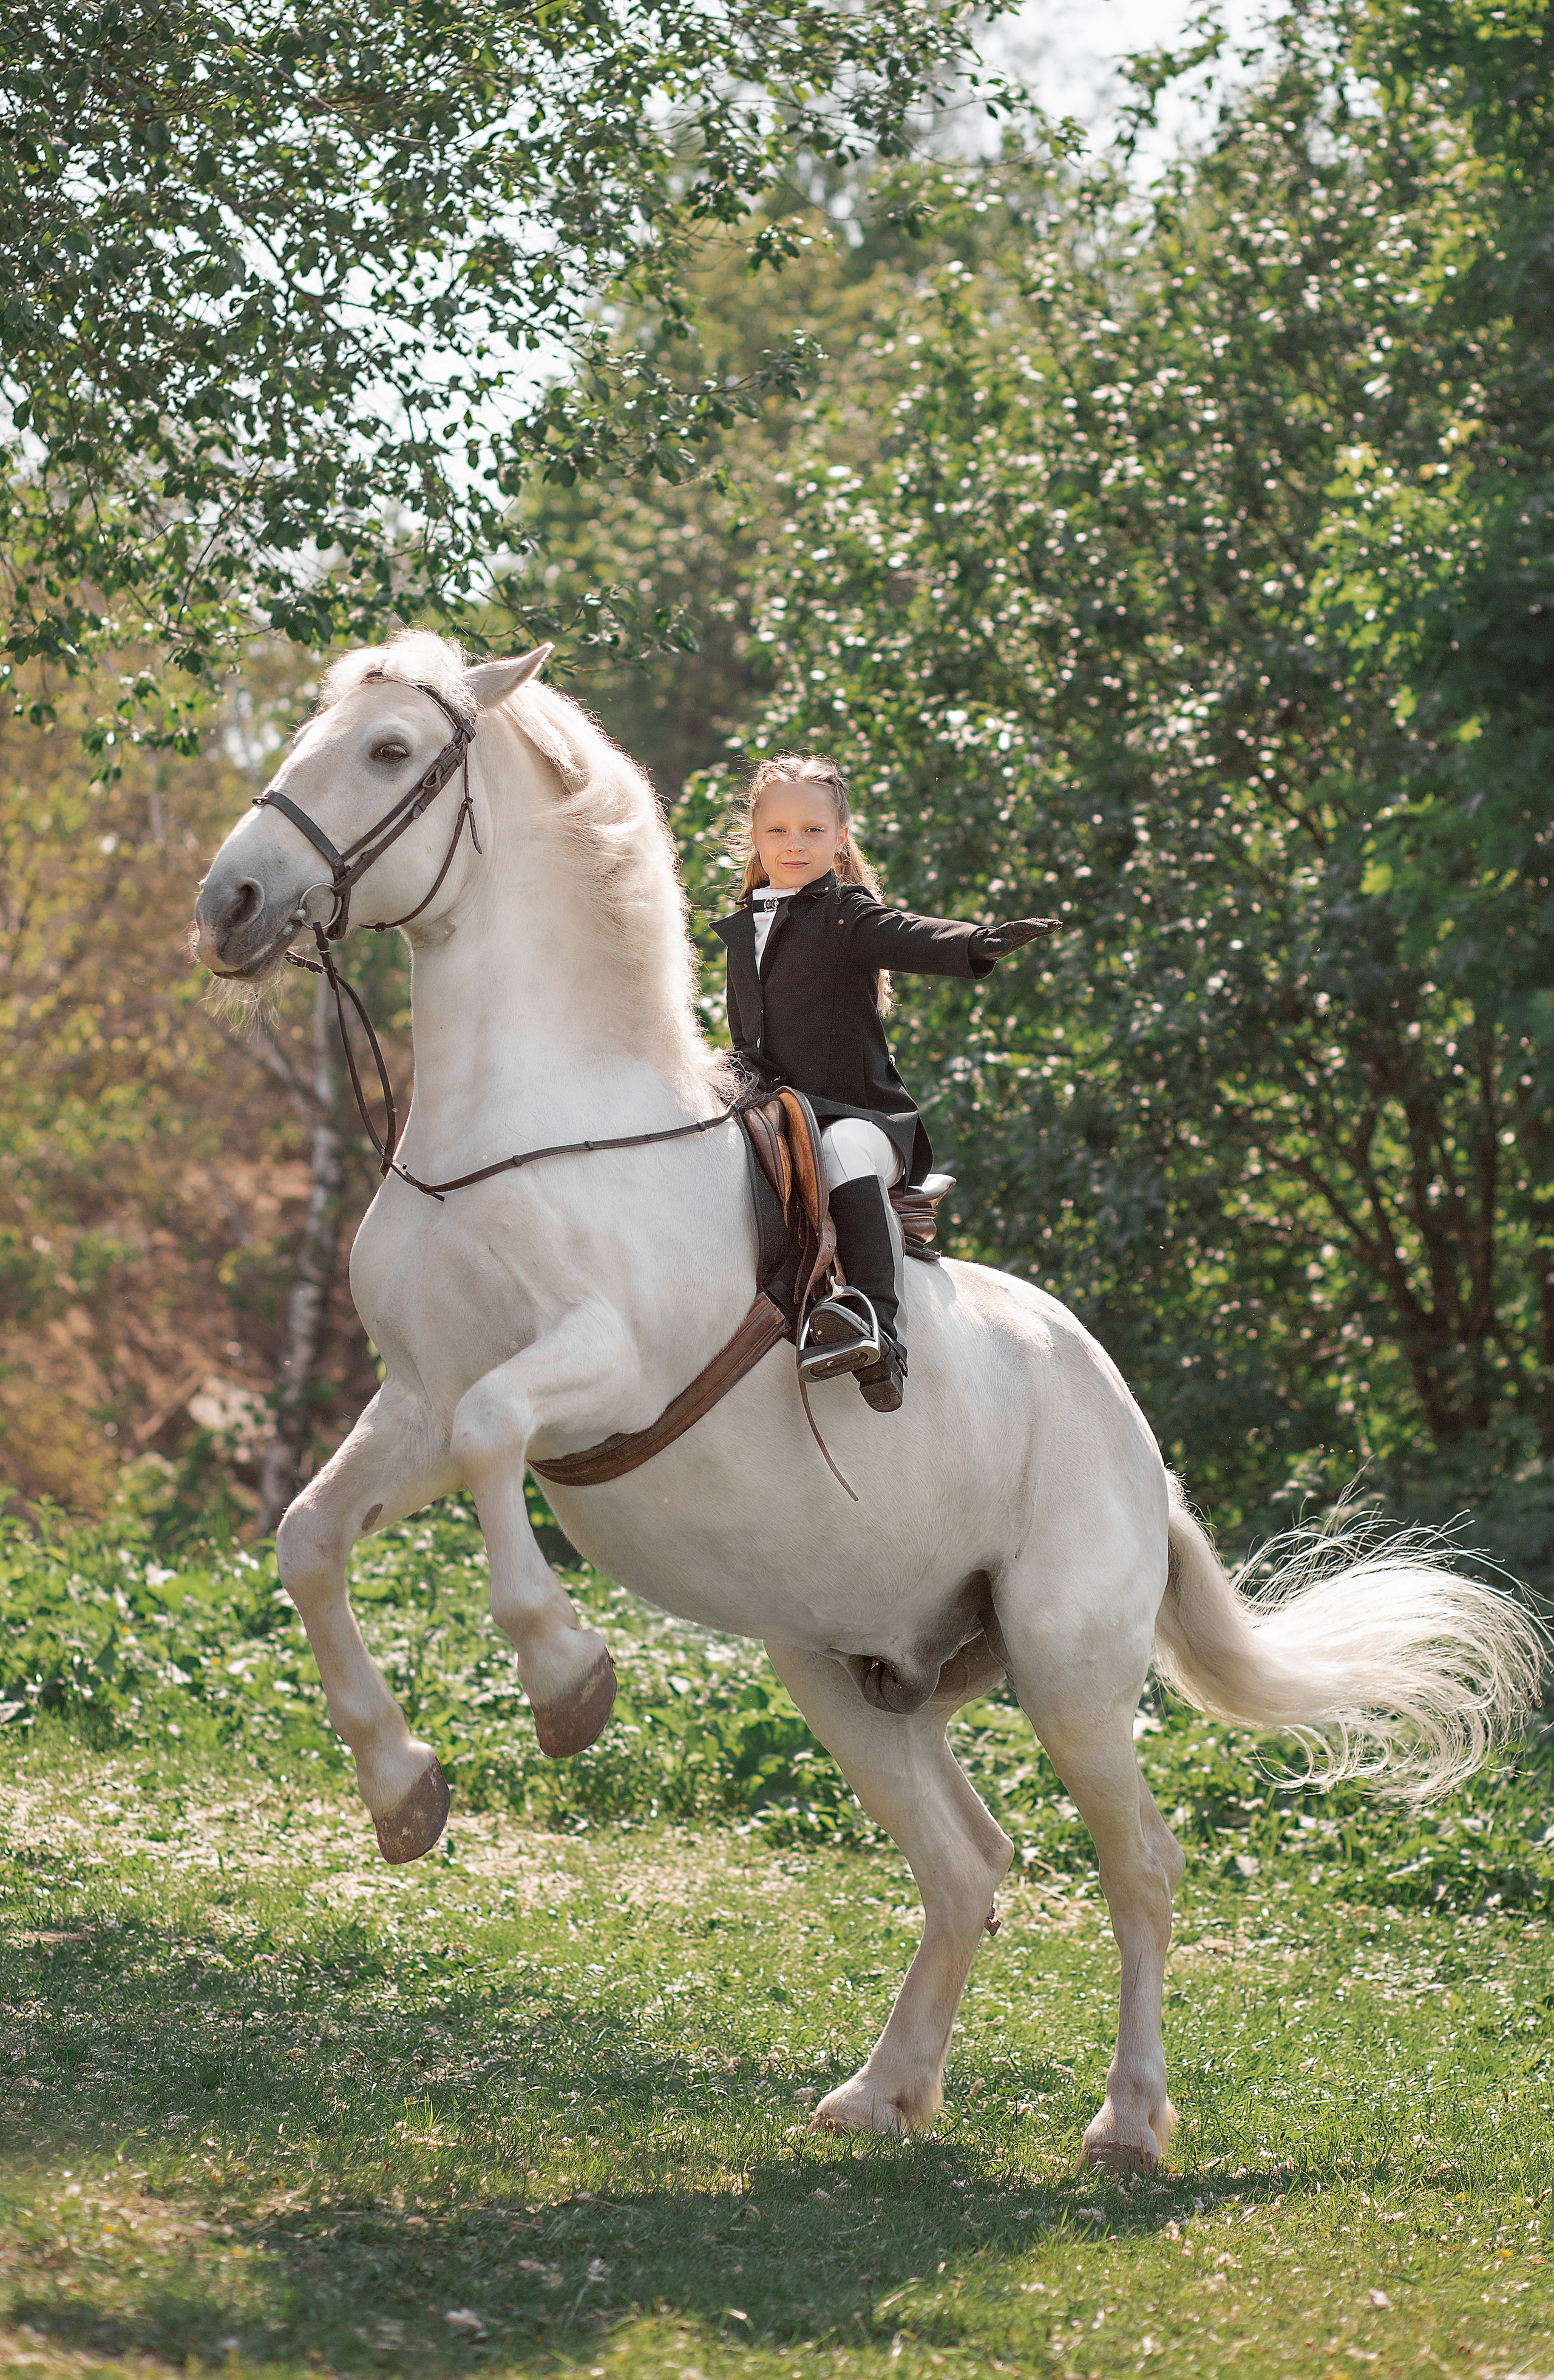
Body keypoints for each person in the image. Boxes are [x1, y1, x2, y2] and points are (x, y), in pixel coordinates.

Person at [711, 753, 1055, 1413]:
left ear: (840, 838)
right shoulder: (741, 926)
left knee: (839, 1149)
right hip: (777, 1116)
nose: (794, 845)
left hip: (860, 1120)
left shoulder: (846, 914)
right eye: (779, 830)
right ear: (754, 834)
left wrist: (976, 943)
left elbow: (907, 934)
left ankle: (878, 1325)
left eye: (813, 831)